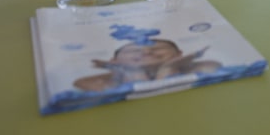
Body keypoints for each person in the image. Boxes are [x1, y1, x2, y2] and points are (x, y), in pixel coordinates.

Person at [73, 39, 221, 92]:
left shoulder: (205, 66)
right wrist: (133, 72)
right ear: (114, 60)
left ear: (179, 54)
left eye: (158, 49)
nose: (147, 51)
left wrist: (169, 68)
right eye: (133, 51)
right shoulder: (93, 81)